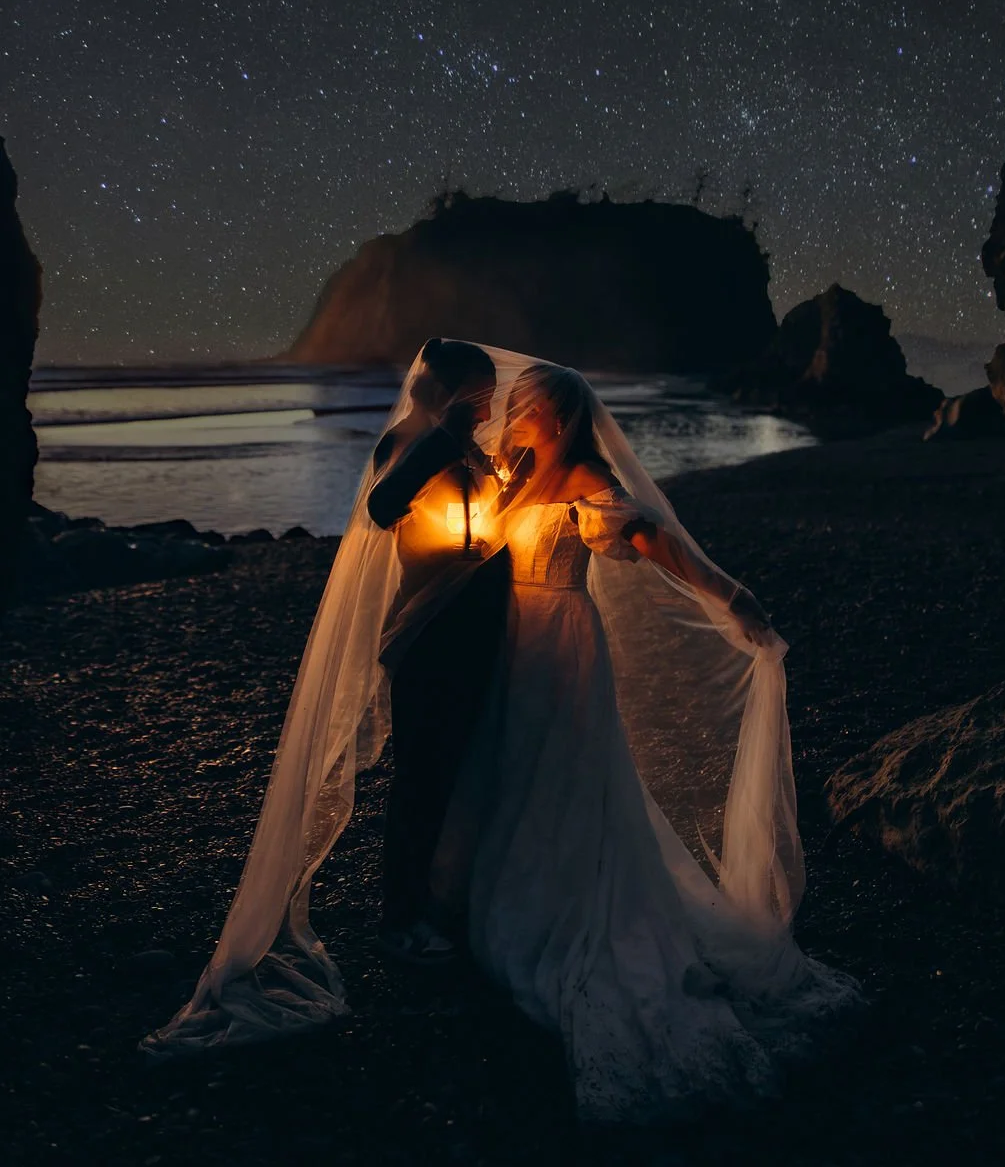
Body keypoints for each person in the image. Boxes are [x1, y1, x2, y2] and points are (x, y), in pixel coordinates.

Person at [141, 344, 857, 1119]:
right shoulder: (485, 466)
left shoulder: (578, 475)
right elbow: (409, 516)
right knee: (491, 773)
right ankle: (446, 909)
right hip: (494, 641)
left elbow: (648, 536)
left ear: (548, 415)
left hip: (559, 641)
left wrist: (730, 593)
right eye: (488, 400)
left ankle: (537, 908)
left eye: (513, 403)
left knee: (555, 775)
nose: (501, 411)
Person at [365, 338, 511, 963]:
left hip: (478, 626)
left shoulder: (470, 447)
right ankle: (399, 917)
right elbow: (384, 505)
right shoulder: (408, 443)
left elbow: (481, 520)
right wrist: (446, 439)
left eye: (489, 398)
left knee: (461, 766)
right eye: (478, 397)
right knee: (421, 773)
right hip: (431, 631)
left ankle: (445, 895)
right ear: (446, 391)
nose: (486, 410)